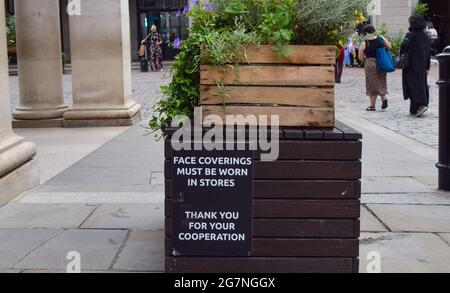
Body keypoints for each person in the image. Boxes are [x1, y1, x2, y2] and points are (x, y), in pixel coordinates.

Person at [401, 16, 431, 117]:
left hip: (411, 64)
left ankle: (421, 104)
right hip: (422, 66)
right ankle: (415, 108)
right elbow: (428, 53)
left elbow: (403, 45)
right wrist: (427, 67)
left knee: (411, 84)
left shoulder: (410, 35)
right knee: (421, 84)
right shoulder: (425, 36)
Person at [358, 24, 392, 111]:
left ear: (364, 33)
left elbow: (360, 58)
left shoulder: (364, 42)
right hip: (381, 62)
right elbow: (389, 47)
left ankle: (372, 106)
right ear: (373, 31)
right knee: (381, 80)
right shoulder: (380, 39)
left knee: (372, 83)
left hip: (370, 63)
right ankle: (383, 97)